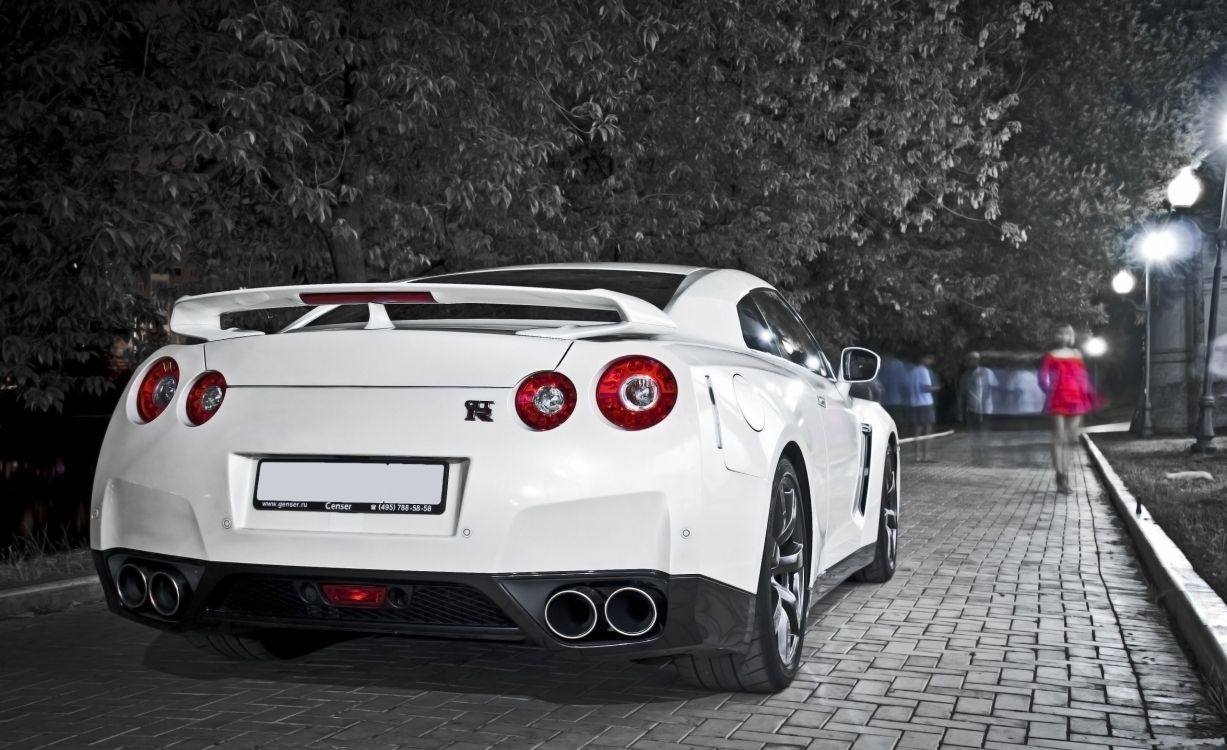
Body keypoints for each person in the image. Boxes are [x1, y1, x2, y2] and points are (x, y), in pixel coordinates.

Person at [1038, 324, 1095, 494]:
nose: (1065, 336)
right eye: (1061, 333)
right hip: (1058, 399)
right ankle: (1060, 474)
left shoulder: (1077, 354)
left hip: (1076, 398)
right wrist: (1050, 391)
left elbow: (1082, 376)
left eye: (1068, 333)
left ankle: (1066, 475)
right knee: (1059, 438)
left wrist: (1086, 393)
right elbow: (1042, 378)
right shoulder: (1050, 355)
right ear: (1056, 335)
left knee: (1070, 439)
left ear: (1072, 336)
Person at [957, 352, 997, 464]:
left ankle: (985, 459)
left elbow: (994, 390)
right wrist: (960, 411)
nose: (972, 361)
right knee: (973, 435)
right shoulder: (965, 377)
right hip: (972, 410)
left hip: (986, 409)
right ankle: (976, 458)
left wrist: (990, 404)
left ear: (978, 360)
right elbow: (961, 395)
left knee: (984, 434)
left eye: (975, 359)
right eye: (969, 359)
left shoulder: (987, 372)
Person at [907, 355, 941, 461]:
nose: (931, 361)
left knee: (917, 430)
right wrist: (937, 388)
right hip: (925, 403)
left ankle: (917, 455)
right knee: (927, 429)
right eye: (930, 358)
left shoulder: (912, 372)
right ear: (924, 359)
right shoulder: (924, 371)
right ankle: (925, 455)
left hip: (914, 403)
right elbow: (926, 388)